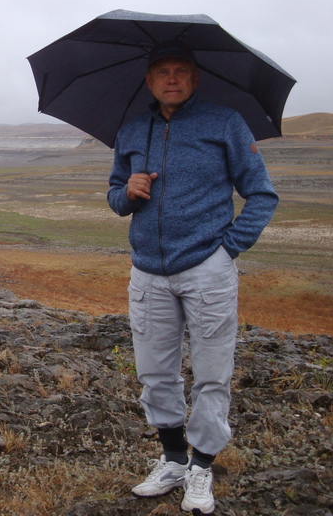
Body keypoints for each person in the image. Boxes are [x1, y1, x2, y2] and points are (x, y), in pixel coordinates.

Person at [107, 39, 278, 514]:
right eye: (162, 72)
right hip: (147, 273)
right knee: (155, 373)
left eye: (181, 71)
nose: (172, 79)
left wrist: (228, 250)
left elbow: (262, 194)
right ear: (149, 80)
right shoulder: (132, 129)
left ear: (195, 78)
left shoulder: (224, 123)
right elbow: (115, 196)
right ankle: (174, 459)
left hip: (208, 270)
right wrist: (129, 192)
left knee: (211, 374)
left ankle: (202, 467)